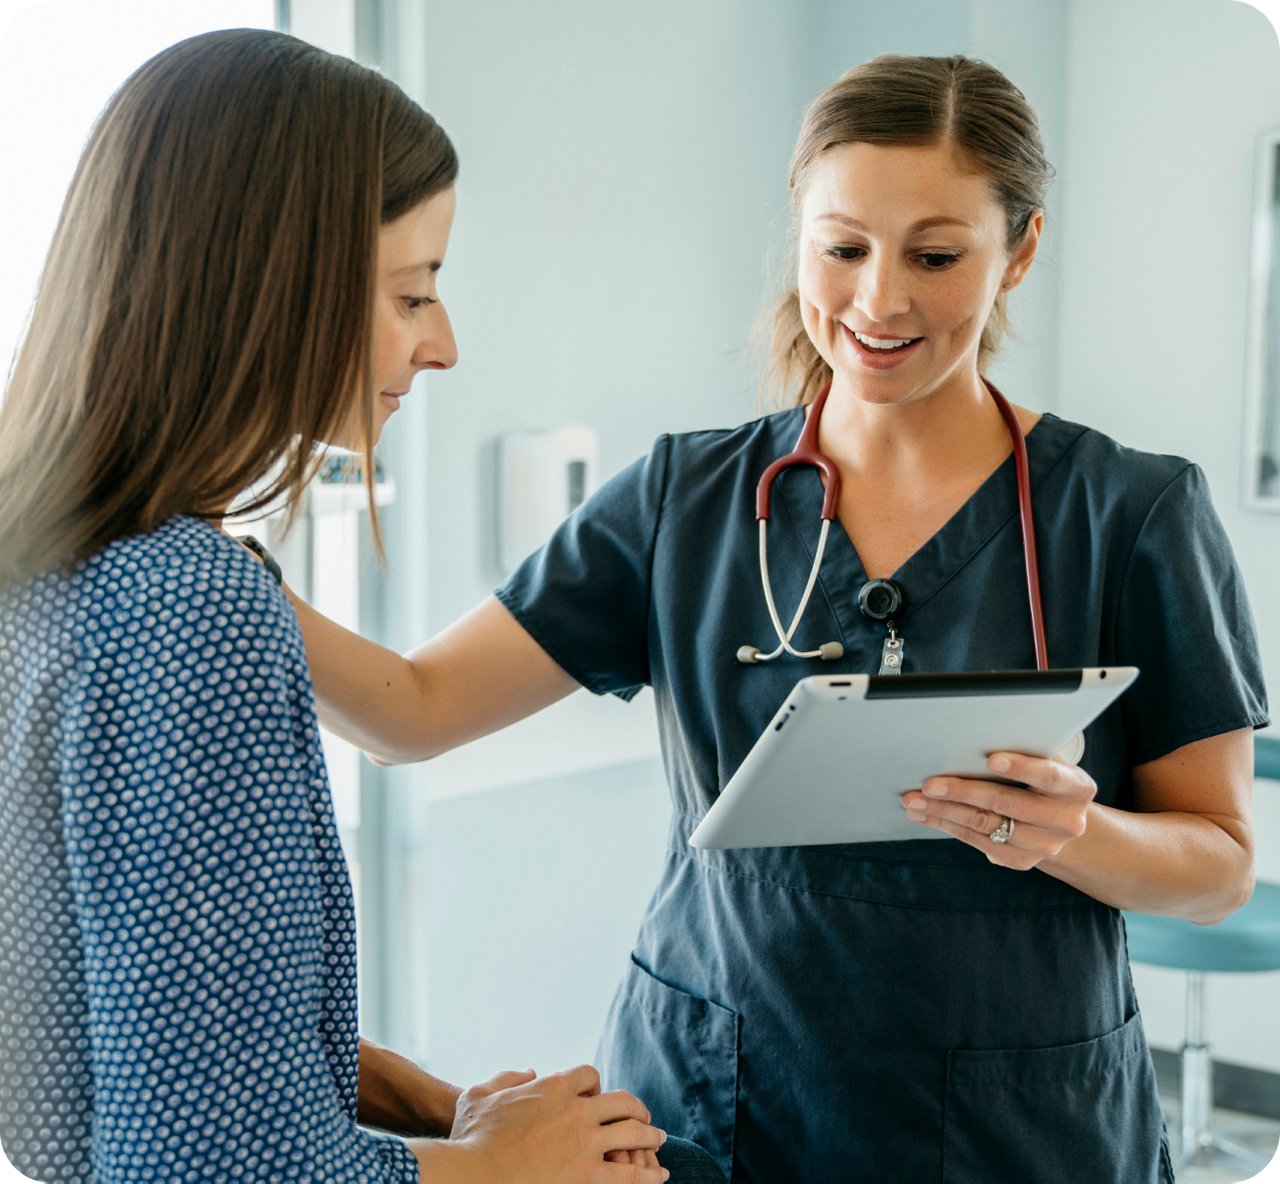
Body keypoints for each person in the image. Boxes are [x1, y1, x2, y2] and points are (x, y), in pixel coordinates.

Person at [287, 55, 1267, 1183]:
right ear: (799, 232)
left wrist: (1072, 834)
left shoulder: (1130, 511)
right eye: (841, 246)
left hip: (1017, 1122)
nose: (877, 298)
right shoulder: (684, 499)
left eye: (934, 255)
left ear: (1021, 250)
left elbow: (1218, 864)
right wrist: (225, 572)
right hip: (710, 1103)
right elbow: (413, 709)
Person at [0, 28, 679, 1184]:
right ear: (274, 281)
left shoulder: (52, 574)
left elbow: (140, 1015)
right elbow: (215, 1166)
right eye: (413, 292)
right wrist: (504, 1164)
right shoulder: (190, 609)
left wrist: (422, 1098)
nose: (442, 344)